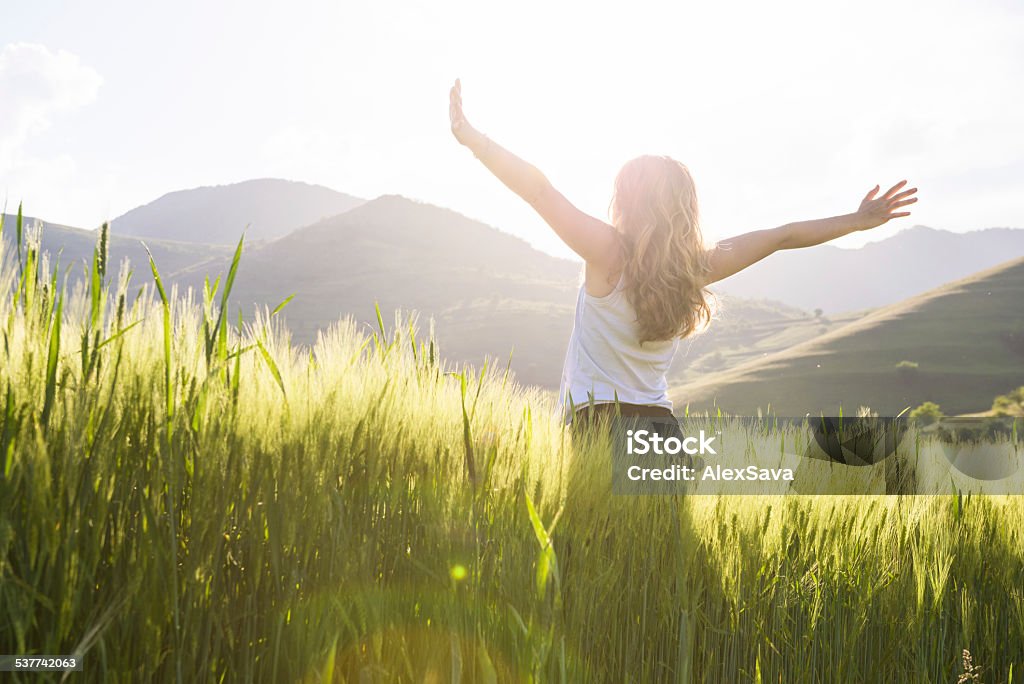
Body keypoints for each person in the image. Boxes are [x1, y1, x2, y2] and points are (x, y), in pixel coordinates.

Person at [447, 78, 918, 436]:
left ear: (625, 201)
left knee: (594, 557)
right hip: (661, 431)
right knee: (656, 563)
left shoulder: (606, 250)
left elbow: (539, 190)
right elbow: (783, 235)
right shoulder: (698, 268)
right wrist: (856, 221)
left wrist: (474, 141)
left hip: (600, 427)